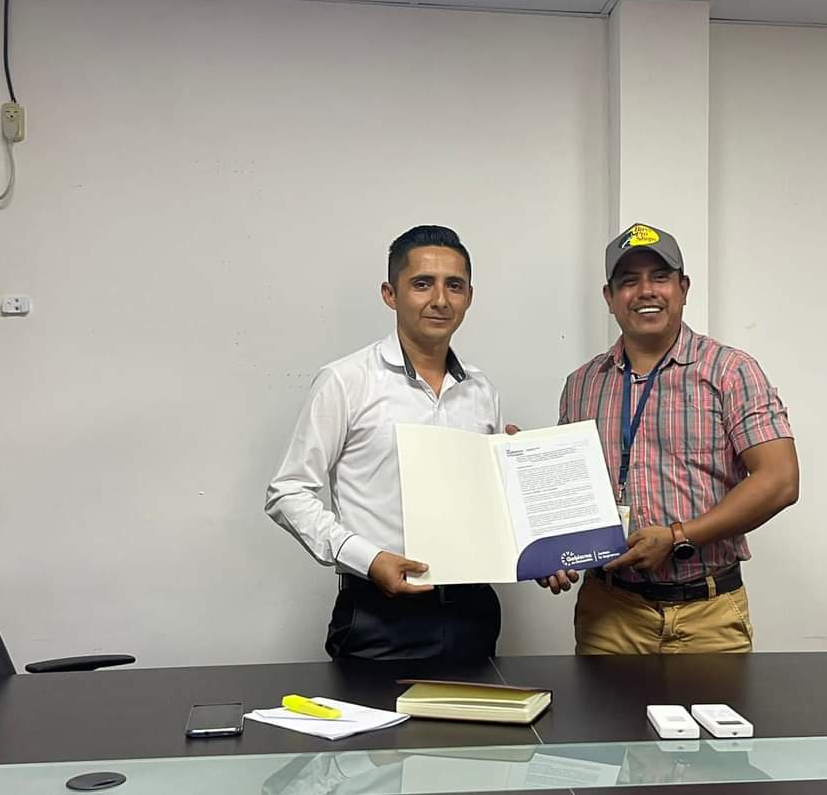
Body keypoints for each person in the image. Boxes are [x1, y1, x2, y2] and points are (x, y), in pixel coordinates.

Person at [543, 223, 799, 654]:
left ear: (683, 288)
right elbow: (570, 493)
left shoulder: (731, 371)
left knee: (716, 706)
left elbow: (780, 481)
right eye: (629, 281)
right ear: (609, 298)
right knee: (601, 705)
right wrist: (546, 532)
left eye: (660, 277)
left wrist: (679, 536)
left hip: (708, 613)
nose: (646, 291)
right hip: (610, 614)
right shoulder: (582, 384)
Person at [265, 225, 503, 660]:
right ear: (390, 294)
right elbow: (287, 491)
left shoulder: (481, 390)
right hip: (379, 616)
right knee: (373, 712)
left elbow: (489, 503)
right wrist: (367, 558)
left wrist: (518, 473)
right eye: (422, 284)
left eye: (454, 285)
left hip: (472, 612)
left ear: (469, 296)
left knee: (478, 711)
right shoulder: (346, 380)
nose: (440, 299)